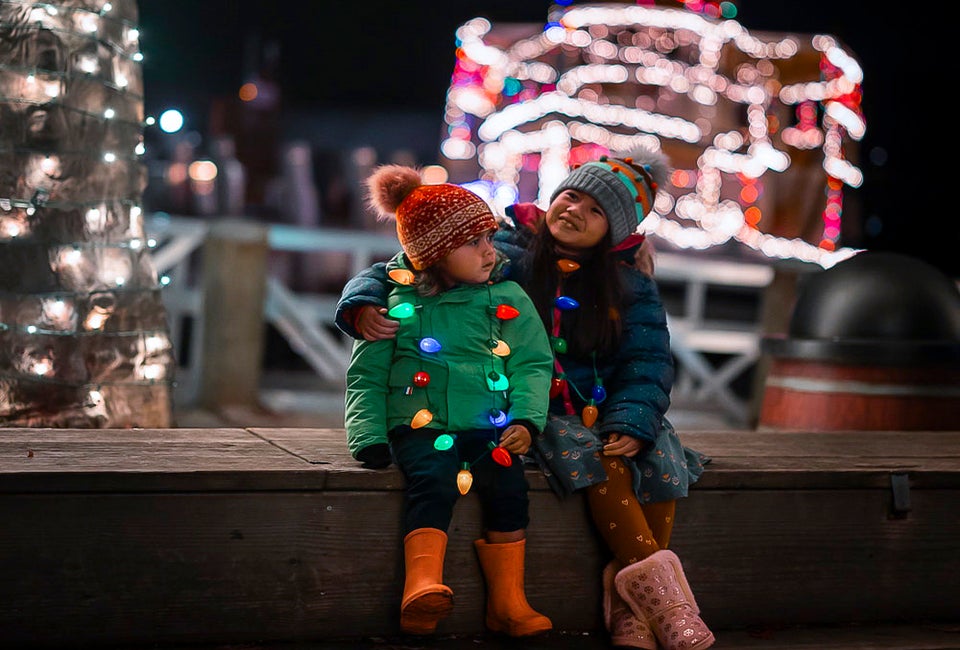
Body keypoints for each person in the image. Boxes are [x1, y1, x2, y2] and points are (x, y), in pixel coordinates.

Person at [338, 145, 714, 650]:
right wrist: (361, 303)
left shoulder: (631, 284)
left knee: (660, 460)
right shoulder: (511, 252)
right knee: (597, 465)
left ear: (617, 229)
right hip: (546, 407)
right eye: (572, 196)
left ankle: (636, 609)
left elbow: (648, 359)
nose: (576, 210)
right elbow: (401, 267)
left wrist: (633, 415)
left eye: (597, 209)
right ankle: (661, 604)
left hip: (608, 405)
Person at [344, 164, 555, 638]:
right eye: (472, 242)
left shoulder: (507, 296)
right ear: (435, 254)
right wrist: (368, 437)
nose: (488, 250)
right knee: (433, 481)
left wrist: (526, 418)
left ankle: (507, 602)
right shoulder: (393, 305)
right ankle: (420, 585)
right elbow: (366, 375)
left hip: (487, 424)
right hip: (419, 424)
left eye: (489, 237)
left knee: (508, 488)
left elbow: (532, 362)